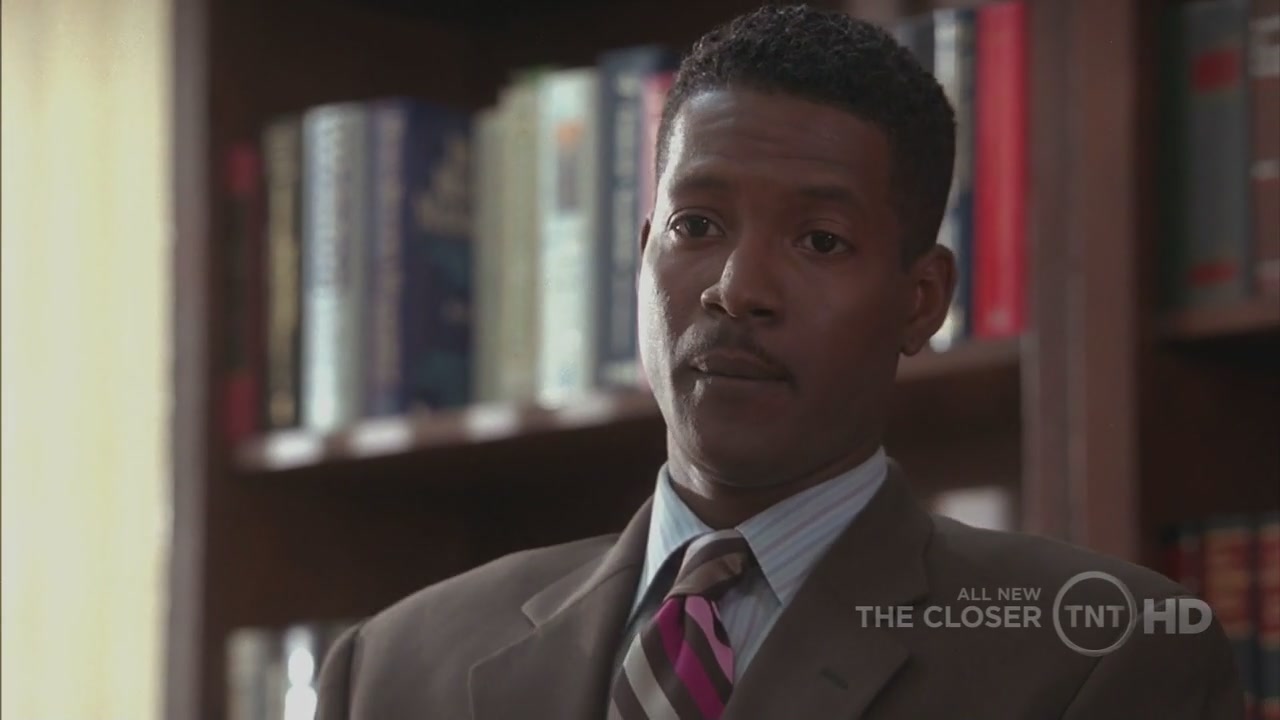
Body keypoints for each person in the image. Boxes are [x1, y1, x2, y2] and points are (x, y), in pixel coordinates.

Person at [315, 6, 1244, 719]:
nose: (737, 289)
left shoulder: (1098, 657)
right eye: (696, 225)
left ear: (921, 300)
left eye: (820, 240)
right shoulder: (394, 669)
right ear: (641, 253)